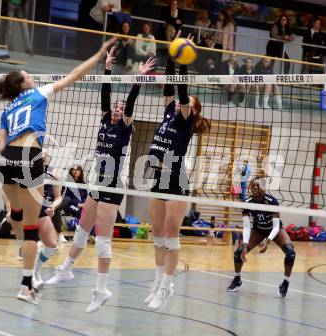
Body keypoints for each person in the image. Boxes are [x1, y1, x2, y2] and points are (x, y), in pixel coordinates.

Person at [0, 37, 115, 304]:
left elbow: (1, 145)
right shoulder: (37, 94)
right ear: (23, 84)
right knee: (29, 228)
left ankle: (24, 259)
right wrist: (98, 54)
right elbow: (74, 75)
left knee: (16, 214)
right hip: (29, 155)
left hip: (6, 160)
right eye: (28, 76)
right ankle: (26, 285)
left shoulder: (7, 109)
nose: (32, 77)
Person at [44, 50, 155, 313]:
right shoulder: (105, 120)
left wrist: (137, 79)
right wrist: (106, 69)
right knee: (82, 231)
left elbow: (130, 105)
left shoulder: (125, 127)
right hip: (96, 182)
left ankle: (101, 289)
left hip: (113, 186)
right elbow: (104, 95)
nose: (117, 110)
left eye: (120, 108)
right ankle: (66, 270)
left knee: (103, 240)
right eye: (115, 108)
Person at [144, 32, 211, 311]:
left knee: (171, 236)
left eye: (189, 101)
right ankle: (157, 282)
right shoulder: (169, 111)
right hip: (157, 175)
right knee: (157, 234)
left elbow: (181, 89)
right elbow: (170, 88)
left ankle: (168, 286)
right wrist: (173, 55)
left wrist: (183, 59)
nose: (185, 101)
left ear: (193, 110)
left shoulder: (185, 119)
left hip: (176, 178)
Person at [227, 177, 295, 298]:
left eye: (257, 186)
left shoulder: (272, 201)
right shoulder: (247, 202)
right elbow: (247, 226)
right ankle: (237, 279)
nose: (254, 188)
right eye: (253, 186)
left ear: (263, 188)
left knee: (290, 253)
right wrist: (244, 245)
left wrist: (267, 242)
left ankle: (285, 283)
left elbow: (275, 226)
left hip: (274, 229)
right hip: (258, 230)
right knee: (238, 252)